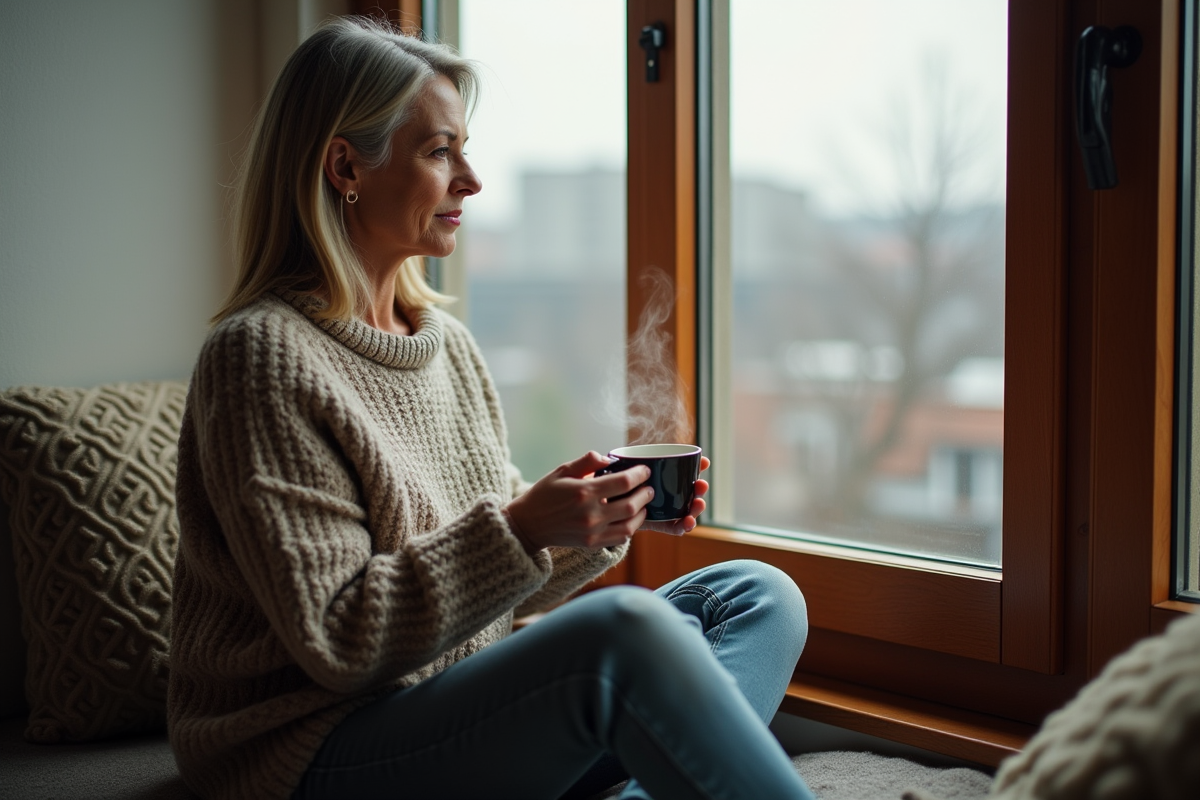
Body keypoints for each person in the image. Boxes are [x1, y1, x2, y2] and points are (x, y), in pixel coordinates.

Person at [168, 15, 813, 800]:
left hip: (448, 706)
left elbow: (492, 597)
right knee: (627, 633)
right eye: (440, 151)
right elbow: (339, 641)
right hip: (309, 749)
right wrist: (521, 528)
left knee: (754, 595)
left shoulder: (448, 345)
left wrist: (597, 522)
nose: (471, 180)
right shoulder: (260, 356)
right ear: (346, 166)